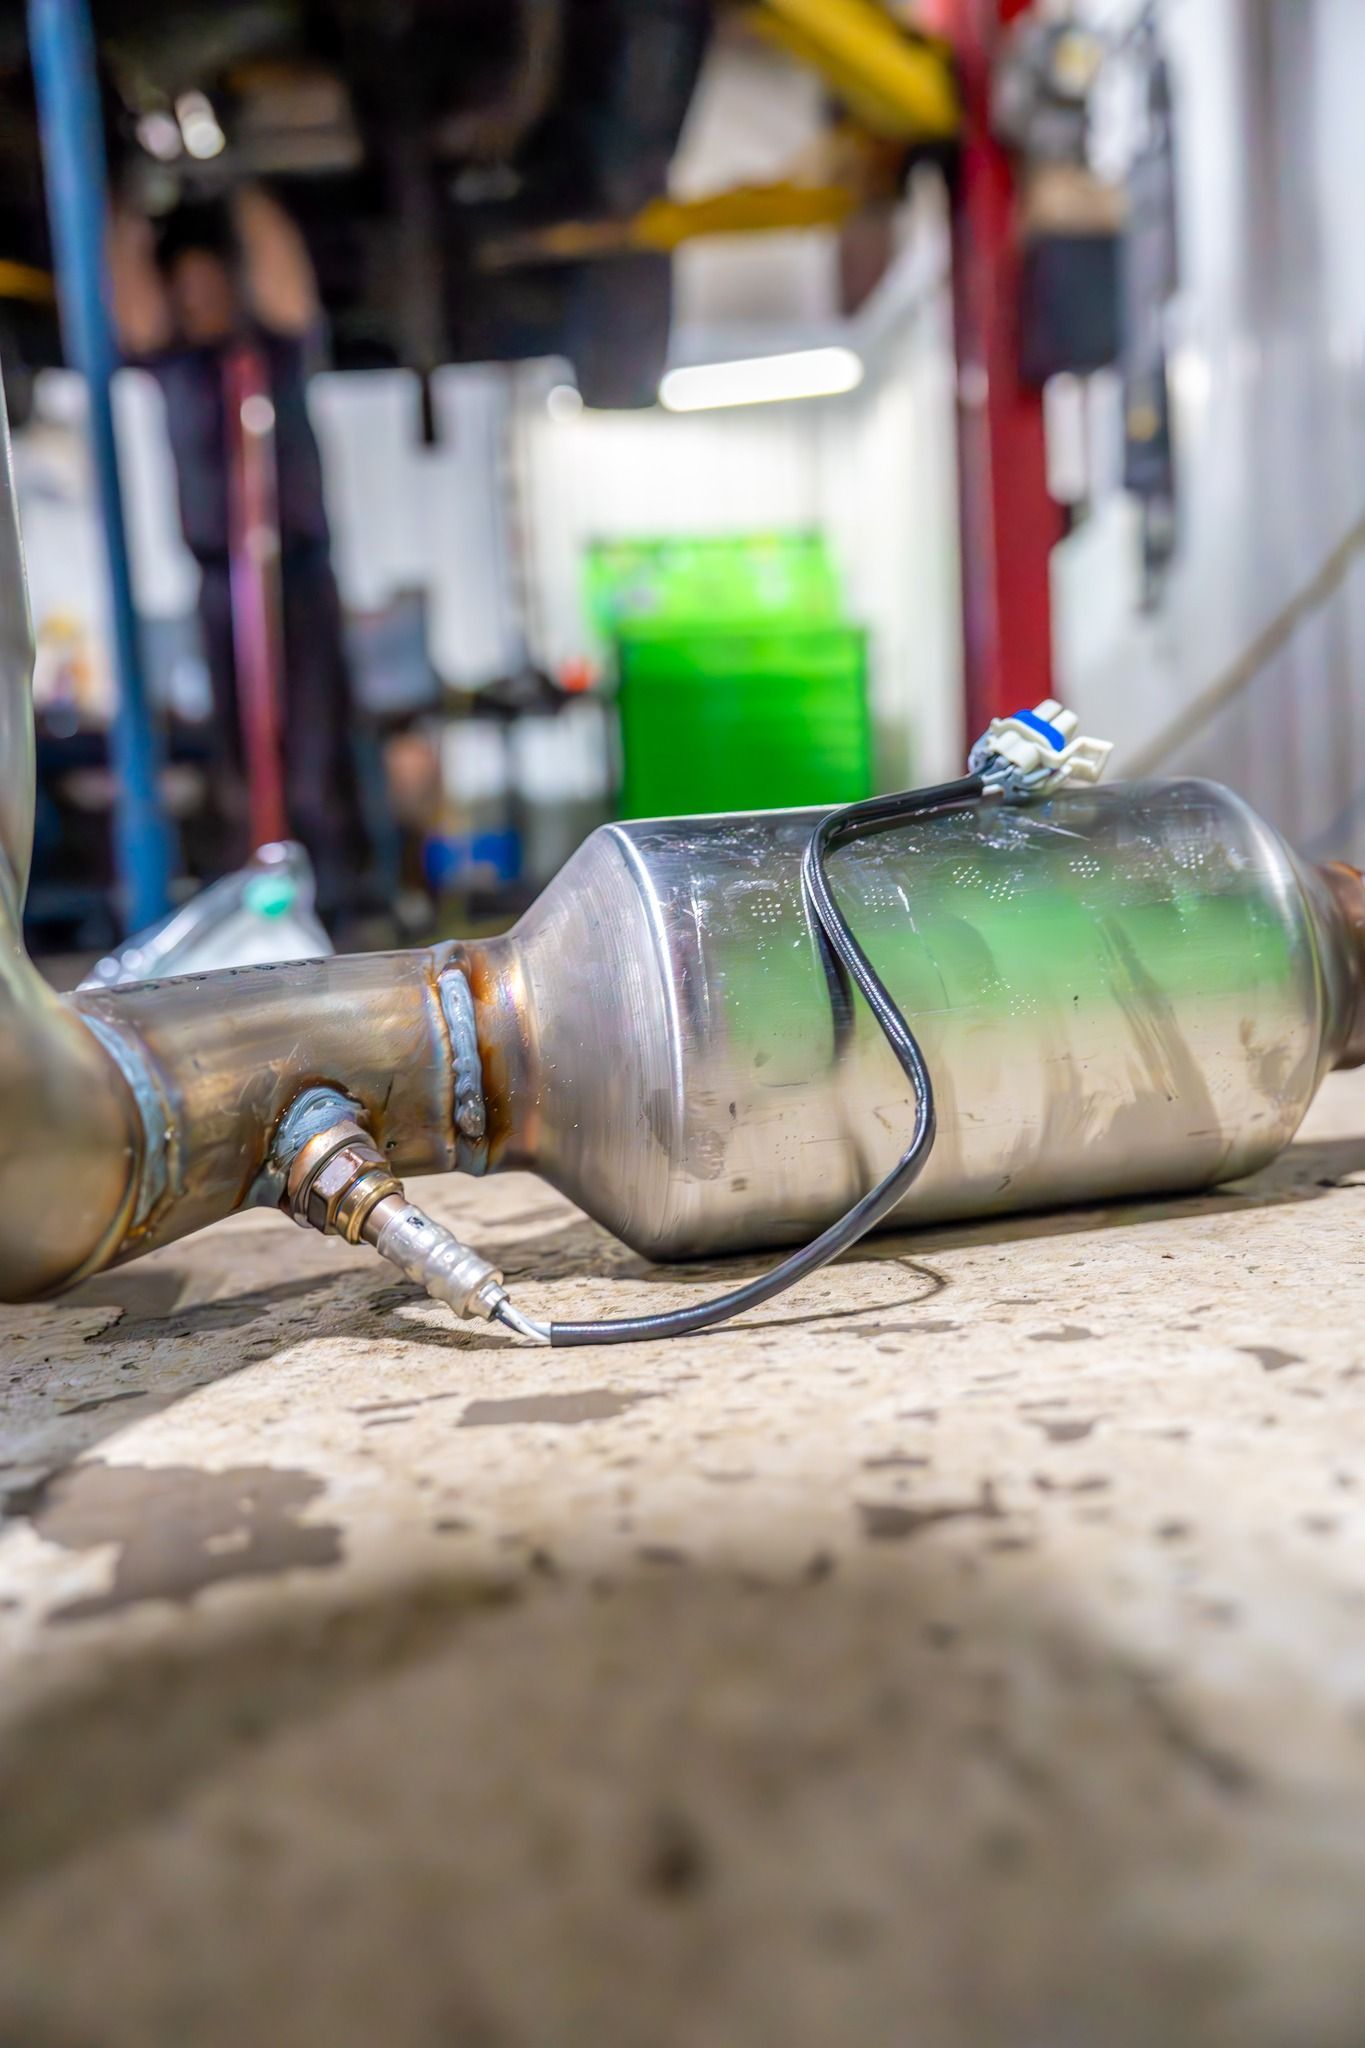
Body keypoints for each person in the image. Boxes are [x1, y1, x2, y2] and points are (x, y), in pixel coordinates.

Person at [108, 186, 370, 925]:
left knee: (316, 756)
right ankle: (254, 912)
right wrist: (134, 207)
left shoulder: (272, 351)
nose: (198, 294)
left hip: (298, 575)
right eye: (182, 283)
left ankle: (339, 908)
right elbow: (130, 296)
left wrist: (239, 181)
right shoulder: (173, 363)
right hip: (219, 579)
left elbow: (284, 275)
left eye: (209, 277)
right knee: (236, 764)